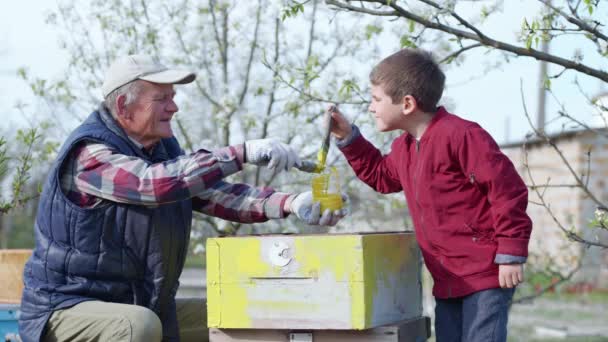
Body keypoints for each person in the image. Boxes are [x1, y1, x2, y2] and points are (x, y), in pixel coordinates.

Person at [19, 55, 347, 342]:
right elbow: (152, 185)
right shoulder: (90, 155)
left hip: (136, 302)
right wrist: (242, 153)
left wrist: (290, 203)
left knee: (240, 314)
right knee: (139, 326)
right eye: (161, 98)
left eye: (173, 97)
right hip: (66, 309)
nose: (174, 107)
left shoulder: (159, 152)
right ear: (123, 106)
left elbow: (213, 193)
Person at [329, 49, 532, 342]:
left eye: (376, 99)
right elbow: (381, 176)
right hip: (447, 278)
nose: (371, 108)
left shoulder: (462, 136)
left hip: (485, 274)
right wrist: (348, 137)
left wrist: (511, 252)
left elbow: (507, 190)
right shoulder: (405, 148)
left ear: (407, 103)